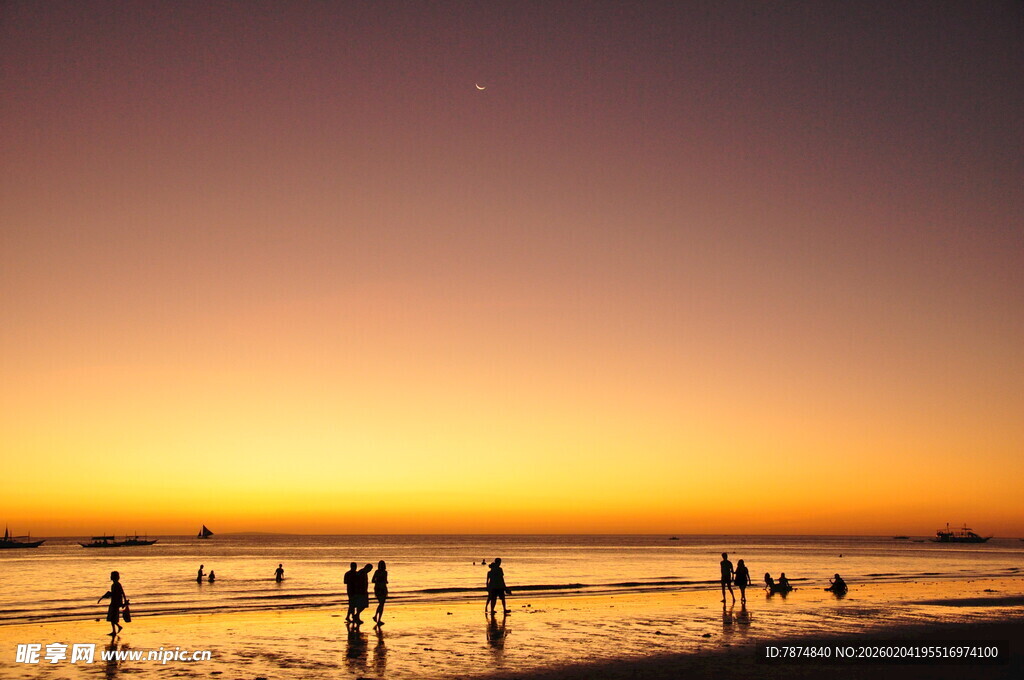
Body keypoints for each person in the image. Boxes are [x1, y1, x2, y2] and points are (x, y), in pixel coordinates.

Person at [98, 571, 128, 636]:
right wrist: (124, 602)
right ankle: (116, 628)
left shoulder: (115, 585)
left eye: (111, 576)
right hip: (116, 602)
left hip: (115, 602)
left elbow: (117, 593)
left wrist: (108, 594)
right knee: (112, 617)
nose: (110, 577)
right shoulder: (116, 584)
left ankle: (115, 630)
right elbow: (122, 593)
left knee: (112, 616)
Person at [372, 560, 388, 625]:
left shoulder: (377, 572)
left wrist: (378, 581)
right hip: (382, 588)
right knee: (381, 604)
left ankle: (377, 617)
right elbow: (385, 580)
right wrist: (382, 582)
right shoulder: (384, 572)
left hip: (378, 588)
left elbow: (373, 580)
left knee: (381, 604)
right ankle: (377, 618)